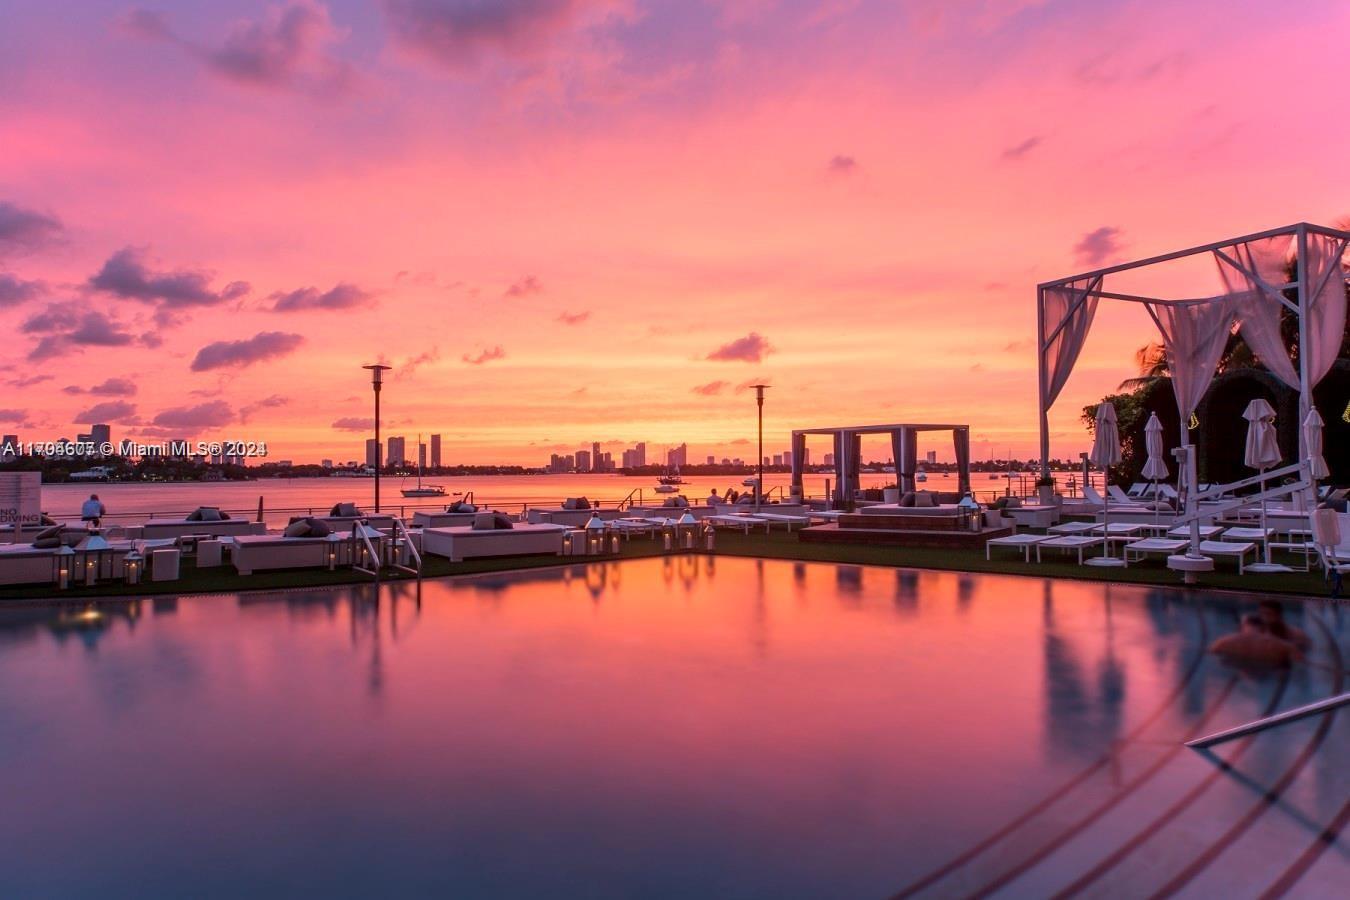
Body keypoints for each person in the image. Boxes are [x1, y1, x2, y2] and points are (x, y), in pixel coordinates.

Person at [1209, 614, 1295, 668]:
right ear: (1264, 628)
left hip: (1237, 669)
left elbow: (1211, 655)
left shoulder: (1224, 642)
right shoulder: (1282, 645)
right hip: (1267, 671)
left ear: (1243, 626)